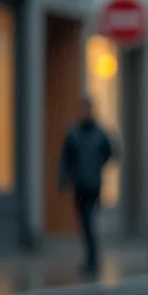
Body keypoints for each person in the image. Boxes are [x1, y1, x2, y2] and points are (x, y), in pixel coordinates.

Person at [60, 98, 114, 275]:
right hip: (80, 185)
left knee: (90, 222)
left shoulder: (99, 134)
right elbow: (66, 158)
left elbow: (111, 152)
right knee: (84, 223)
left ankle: (92, 259)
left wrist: (97, 165)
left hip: (93, 185)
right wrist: (65, 179)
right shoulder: (74, 134)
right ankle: (90, 258)